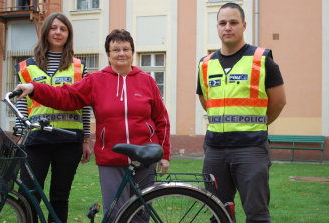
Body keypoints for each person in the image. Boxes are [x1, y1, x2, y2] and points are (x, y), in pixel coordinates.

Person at [15, 29, 171, 222]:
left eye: (126, 49)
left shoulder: (147, 80)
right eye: (115, 50)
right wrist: (35, 88)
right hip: (111, 157)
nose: (121, 53)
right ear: (108, 54)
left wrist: (164, 154)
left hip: (145, 156)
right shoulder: (96, 80)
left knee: (142, 212)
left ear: (132, 52)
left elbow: (161, 119)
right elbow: (67, 96)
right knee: (115, 214)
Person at [196, 3, 286, 223]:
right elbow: (205, 100)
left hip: (251, 148)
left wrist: (258, 124)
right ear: (217, 27)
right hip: (215, 149)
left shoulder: (262, 59)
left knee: (256, 213)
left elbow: (279, 102)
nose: (228, 27)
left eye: (233, 22)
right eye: (223, 23)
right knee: (218, 212)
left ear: (244, 25)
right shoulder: (205, 65)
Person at [15, 12, 91, 223]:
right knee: (29, 196)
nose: (58, 32)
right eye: (54, 28)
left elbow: (85, 106)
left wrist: (86, 139)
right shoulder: (26, 66)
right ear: (46, 31)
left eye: (63, 29)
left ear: (69, 34)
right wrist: (20, 137)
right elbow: (22, 104)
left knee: (60, 198)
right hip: (35, 140)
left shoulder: (79, 67)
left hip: (69, 140)